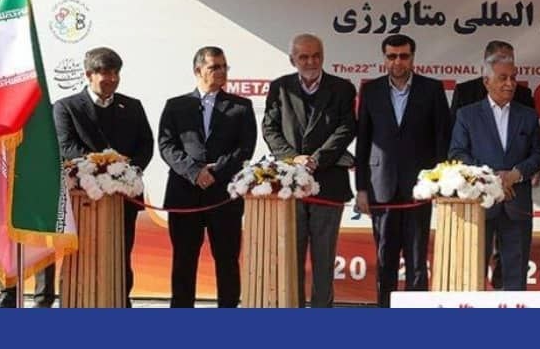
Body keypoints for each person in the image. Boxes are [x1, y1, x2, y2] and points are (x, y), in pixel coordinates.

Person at [52, 46, 154, 307]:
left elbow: (146, 144)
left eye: (116, 73)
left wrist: (126, 172)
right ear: (89, 75)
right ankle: (75, 304)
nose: (112, 79)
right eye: (105, 73)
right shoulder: (66, 107)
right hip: (83, 198)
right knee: (80, 256)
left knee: (120, 253)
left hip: (123, 197)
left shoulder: (132, 106)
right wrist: (105, 167)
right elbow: (67, 147)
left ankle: (120, 301)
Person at [355, 34, 450, 307]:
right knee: (385, 259)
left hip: (419, 188)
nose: (397, 62)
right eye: (392, 56)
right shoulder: (370, 90)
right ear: (384, 58)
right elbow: (363, 141)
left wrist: (440, 183)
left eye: (403, 56)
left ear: (412, 58)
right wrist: (361, 188)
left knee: (417, 259)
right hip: (380, 187)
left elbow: (442, 138)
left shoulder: (432, 89)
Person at [262, 34, 356, 308]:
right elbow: (270, 128)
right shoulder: (280, 87)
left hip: (328, 182)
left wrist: (316, 159)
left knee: (324, 260)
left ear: (323, 56)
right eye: (303, 57)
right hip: (290, 185)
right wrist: (293, 159)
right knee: (291, 258)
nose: (311, 61)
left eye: (316, 55)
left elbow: (346, 128)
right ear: (293, 60)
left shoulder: (342, 88)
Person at [159, 46, 256, 308]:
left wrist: (215, 172)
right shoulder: (176, 105)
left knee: (227, 260)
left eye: (224, 66)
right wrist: (194, 172)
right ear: (198, 70)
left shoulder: (241, 106)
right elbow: (166, 146)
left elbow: (245, 148)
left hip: (223, 196)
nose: (221, 71)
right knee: (184, 260)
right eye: (214, 67)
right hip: (184, 194)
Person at [448, 52, 540, 290]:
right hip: (479, 204)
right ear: (486, 81)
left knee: (516, 275)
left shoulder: (528, 115)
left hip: (516, 202)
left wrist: (515, 174)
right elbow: (457, 154)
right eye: (503, 78)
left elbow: (538, 155)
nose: (510, 83)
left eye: (513, 78)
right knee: (472, 274)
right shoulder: (467, 115)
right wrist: (492, 179)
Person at [450, 39, 536, 119]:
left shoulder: (524, 95)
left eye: (510, 60)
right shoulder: (464, 92)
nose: (505, 63)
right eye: (501, 59)